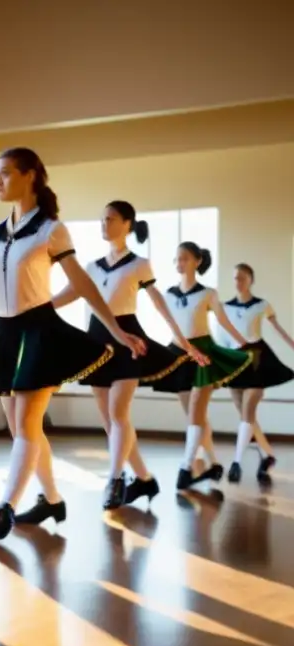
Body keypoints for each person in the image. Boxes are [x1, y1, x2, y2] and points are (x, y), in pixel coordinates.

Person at [0, 147, 146, 541]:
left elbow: (81, 283)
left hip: (40, 332)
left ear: (30, 175)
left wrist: (117, 331)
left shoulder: (51, 229)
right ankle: (50, 498)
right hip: (4, 334)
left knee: (29, 425)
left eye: (5, 174)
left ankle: (6, 506)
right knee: (20, 430)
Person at [52, 201, 210, 509]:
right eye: (101, 219)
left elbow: (160, 305)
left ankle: (114, 479)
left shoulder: (139, 264)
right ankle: (144, 479)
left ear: (127, 224)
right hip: (97, 339)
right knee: (111, 423)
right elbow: (73, 292)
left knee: (118, 414)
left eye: (110, 219)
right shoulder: (93, 266)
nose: (103, 224)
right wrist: (41, 307)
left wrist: (185, 342)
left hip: (129, 341)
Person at [149, 242, 253, 490]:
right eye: (177, 259)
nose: (179, 263)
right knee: (194, 416)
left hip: (204, 353)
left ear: (197, 261)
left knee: (196, 412)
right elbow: (171, 325)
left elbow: (224, 321)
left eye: (184, 258)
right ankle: (214, 463)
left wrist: (245, 344)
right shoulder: (169, 294)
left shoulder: (208, 293)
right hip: (179, 351)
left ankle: (185, 469)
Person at [219, 263, 294, 482]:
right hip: (235, 361)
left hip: (258, 359)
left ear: (251, 279)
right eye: (235, 278)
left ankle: (236, 463)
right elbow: (223, 338)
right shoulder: (225, 307)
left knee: (247, 413)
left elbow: (278, 330)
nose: (238, 281)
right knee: (246, 416)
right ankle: (268, 455)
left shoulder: (262, 305)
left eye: (242, 277)